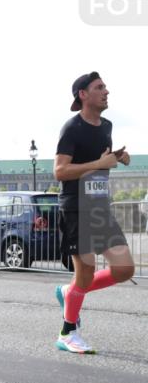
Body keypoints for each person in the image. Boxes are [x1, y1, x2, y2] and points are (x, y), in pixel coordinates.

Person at [53, 71, 134, 354]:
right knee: (85, 273)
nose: (106, 91)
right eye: (99, 87)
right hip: (76, 207)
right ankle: (67, 333)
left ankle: (69, 292)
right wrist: (98, 163)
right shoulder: (71, 128)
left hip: (99, 206)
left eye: (106, 87)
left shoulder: (107, 126)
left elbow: (101, 162)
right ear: (83, 95)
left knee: (124, 269)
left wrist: (117, 157)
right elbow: (60, 171)